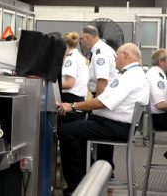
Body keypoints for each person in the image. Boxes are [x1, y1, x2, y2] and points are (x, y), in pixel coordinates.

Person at [56, 43, 149, 195]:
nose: (115, 59)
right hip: (115, 124)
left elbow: (101, 102)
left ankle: (77, 187)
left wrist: (72, 106)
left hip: (115, 126)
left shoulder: (129, 76)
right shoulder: (133, 74)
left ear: (125, 55)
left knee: (67, 131)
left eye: (116, 55)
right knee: (78, 130)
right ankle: (90, 176)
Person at [60, 32, 89, 124]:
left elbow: (69, 83)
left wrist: (52, 84)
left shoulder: (71, 59)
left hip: (70, 99)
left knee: (66, 131)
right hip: (78, 99)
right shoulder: (78, 56)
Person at [80, 25, 117, 97]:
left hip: (104, 95)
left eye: (81, 39)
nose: (81, 42)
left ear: (87, 37)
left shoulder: (100, 53)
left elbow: (102, 80)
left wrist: (97, 101)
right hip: (107, 94)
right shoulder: (103, 48)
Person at [145, 49, 167, 160]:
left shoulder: (157, 74)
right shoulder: (156, 76)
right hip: (159, 118)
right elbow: (161, 104)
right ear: (162, 62)